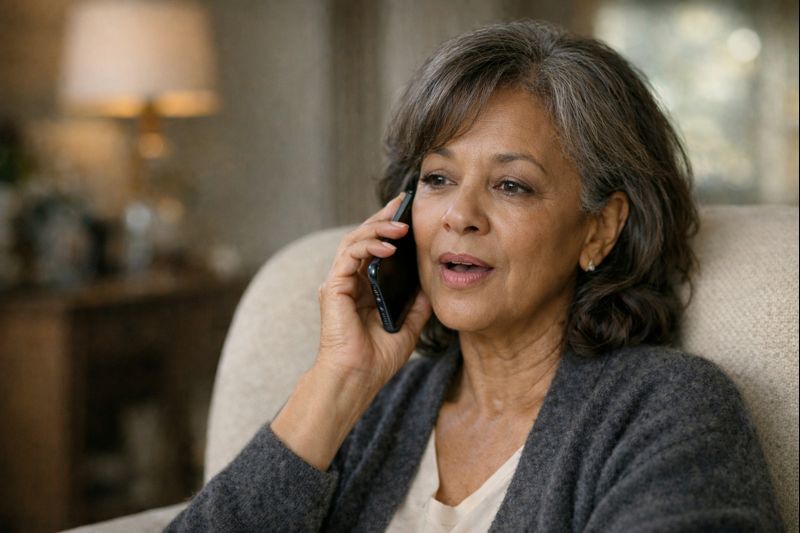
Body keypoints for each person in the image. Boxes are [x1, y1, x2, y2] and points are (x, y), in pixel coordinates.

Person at [167, 20, 782, 532]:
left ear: (600, 228)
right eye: (437, 178)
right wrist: (337, 383)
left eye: (511, 185)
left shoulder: (665, 409)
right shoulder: (374, 410)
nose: (460, 215)